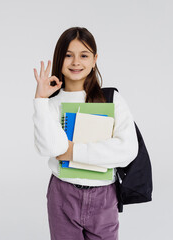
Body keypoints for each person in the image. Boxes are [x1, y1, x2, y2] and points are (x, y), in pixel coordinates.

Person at [32, 27, 138, 240]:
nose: (75, 62)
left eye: (84, 55)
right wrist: (40, 100)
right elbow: (48, 148)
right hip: (63, 194)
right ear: (59, 57)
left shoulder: (112, 99)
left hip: (103, 195)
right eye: (68, 55)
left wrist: (72, 151)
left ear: (94, 59)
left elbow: (127, 150)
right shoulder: (51, 105)